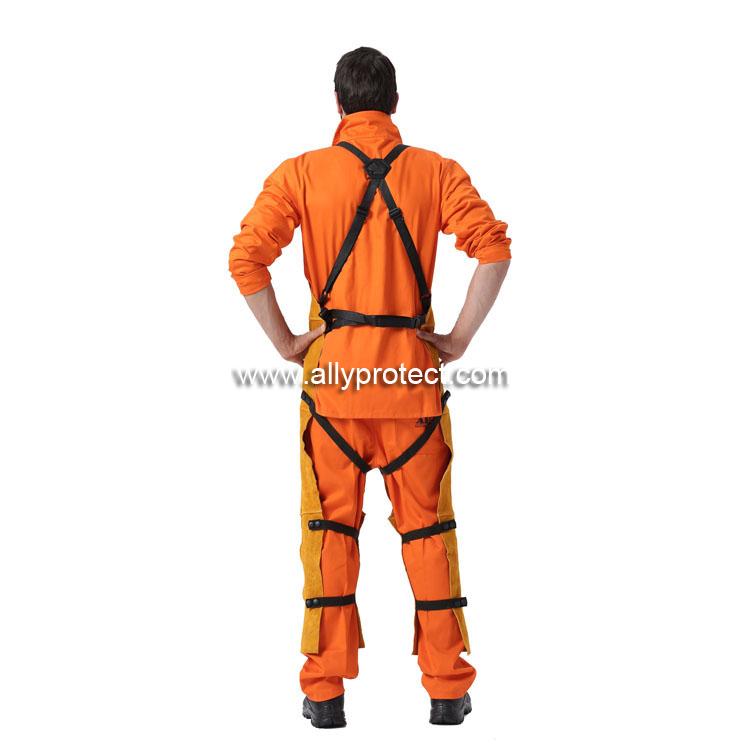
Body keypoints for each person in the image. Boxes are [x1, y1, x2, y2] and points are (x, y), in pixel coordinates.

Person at [228, 46, 511, 728]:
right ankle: (447, 689)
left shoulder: (301, 174)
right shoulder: (436, 172)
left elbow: (246, 259)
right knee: (429, 533)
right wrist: (460, 340)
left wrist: (287, 344)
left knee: (328, 535)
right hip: (413, 389)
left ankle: (325, 695)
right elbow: (494, 249)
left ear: (338, 104)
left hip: (332, 392)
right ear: (395, 103)